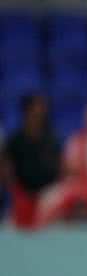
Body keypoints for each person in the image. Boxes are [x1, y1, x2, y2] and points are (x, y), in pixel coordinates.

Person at [4, 93, 61, 229]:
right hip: (22, 196)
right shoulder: (16, 140)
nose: (41, 111)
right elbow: (7, 168)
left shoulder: (51, 138)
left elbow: (60, 167)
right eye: (37, 107)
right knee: (12, 229)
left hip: (47, 197)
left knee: (55, 229)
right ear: (27, 110)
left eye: (42, 107)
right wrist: (15, 190)